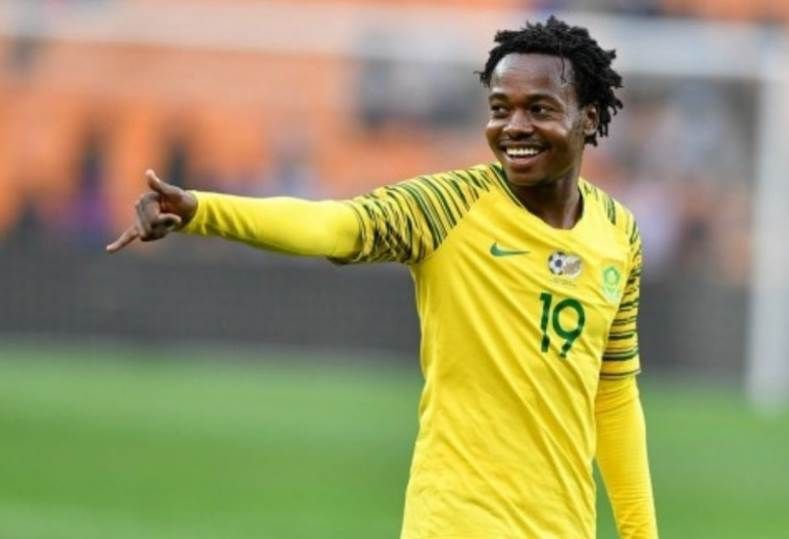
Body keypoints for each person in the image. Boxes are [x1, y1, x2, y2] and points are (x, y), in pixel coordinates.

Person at [107, 16, 658, 539]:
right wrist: (203, 210)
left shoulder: (618, 234)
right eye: (500, 109)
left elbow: (611, 394)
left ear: (588, 118)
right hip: (457, 523)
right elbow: (335, 226)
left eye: (539, 109)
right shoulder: (448, 207)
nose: (514, 126)